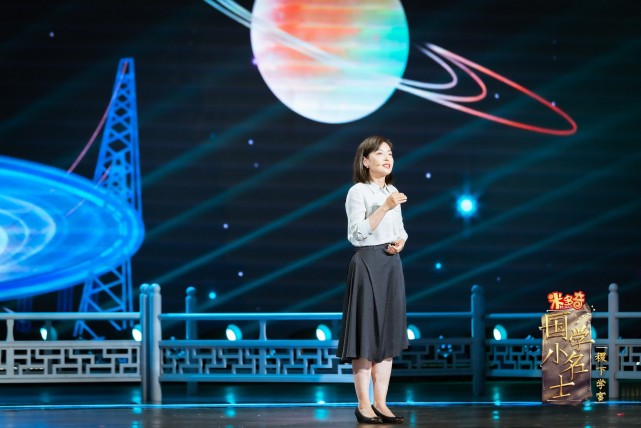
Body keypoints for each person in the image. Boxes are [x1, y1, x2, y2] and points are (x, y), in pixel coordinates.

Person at [336, 135, 409, 424]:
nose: (387, 158)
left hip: (391, 263)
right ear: (365, 161)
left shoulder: (392, 191)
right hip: (367, 262)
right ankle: (364, 405)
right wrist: (384, 207)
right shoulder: (358, 192)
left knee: (387, 335)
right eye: (379, 153)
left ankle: (381, 403)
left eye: (389, 153)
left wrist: (400, 241)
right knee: (365, 334)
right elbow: (356, 234)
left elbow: (400, 229)